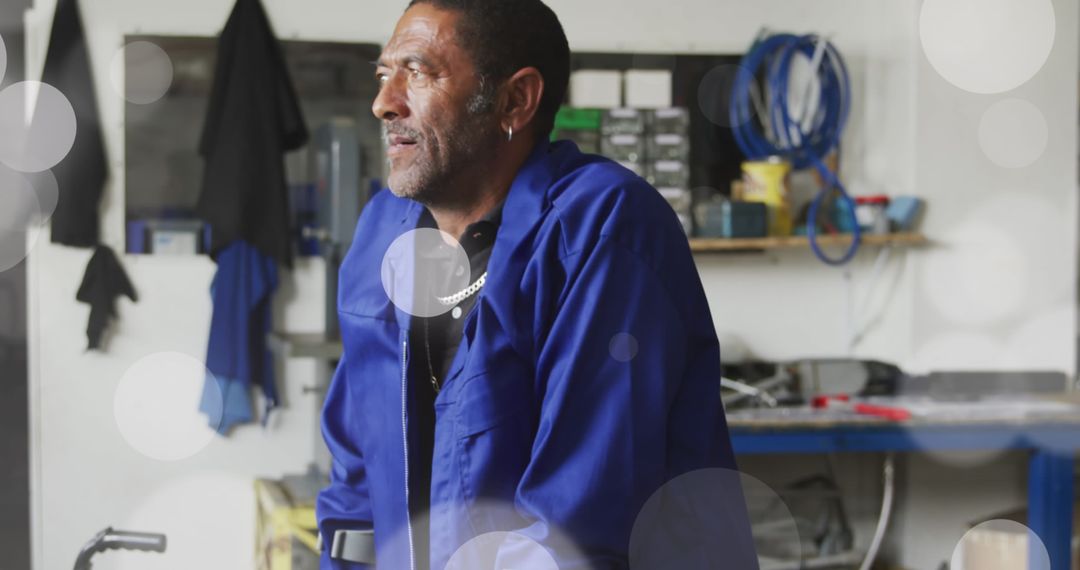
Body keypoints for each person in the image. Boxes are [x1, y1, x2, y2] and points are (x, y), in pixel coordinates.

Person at [317, 1, 752, 568]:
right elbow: (356, 486)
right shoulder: (384, 231)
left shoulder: (600, 227)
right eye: (384, 74)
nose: (384, 102)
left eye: (418, 72)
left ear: (515, 100)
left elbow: (577, 522)